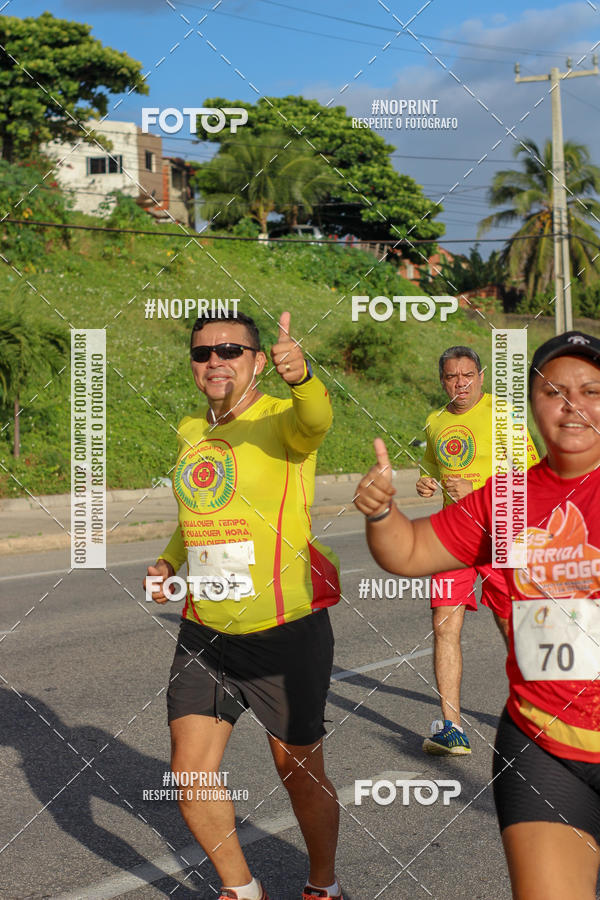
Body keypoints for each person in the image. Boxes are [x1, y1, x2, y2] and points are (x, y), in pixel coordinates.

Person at [354, 330, 600, 900]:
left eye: (591, 390)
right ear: (533, 404)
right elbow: (408, 552)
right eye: (554, 391)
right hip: (545, 744)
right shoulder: (508, 498)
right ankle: (452, 722)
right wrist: (382, 512)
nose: (572, 405)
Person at [144, 310, 344, 900]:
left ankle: (324, 885)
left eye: (231, 350)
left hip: (284, 631)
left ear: (257, 362)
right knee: (189, 773)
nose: (216, 361)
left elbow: (318, 417)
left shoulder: (283, 420)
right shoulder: (191, 430)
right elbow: (199, 510)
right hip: (205, 631)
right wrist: (169, 561)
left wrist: (302, 378)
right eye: (203, 352)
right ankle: (242, 889)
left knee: (298, 773)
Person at [416, 346, 539, 755]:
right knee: (443, 625)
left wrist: (479, 489)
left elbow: (532, 479)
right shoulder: (435, 421)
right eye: (452, 376)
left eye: (467, 375)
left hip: (499, 534)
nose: (461, 383)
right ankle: (451, 728)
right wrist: (426, 482)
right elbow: (432, 465)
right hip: (452, 537)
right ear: (442, 381)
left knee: (510, 626)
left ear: (481, 377)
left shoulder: (503, 415)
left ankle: (536, 713)